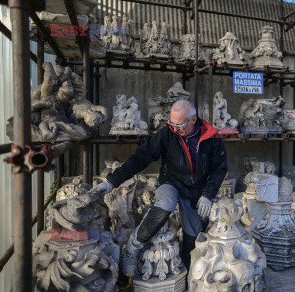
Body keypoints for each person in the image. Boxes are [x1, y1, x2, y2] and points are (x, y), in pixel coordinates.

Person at [90, 99, 227, 276]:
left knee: (193, 234)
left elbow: (220, 169)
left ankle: (187, 270)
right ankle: (133, 247)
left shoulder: (212, 137)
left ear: (193, 120)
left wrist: (208, 195)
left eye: (179, 124)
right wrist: (112, 181)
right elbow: (140, 158)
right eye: (171, 123)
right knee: (165, 205)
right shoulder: (167, 134)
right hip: (171, 181)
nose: (174, 128)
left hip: (195, 188)